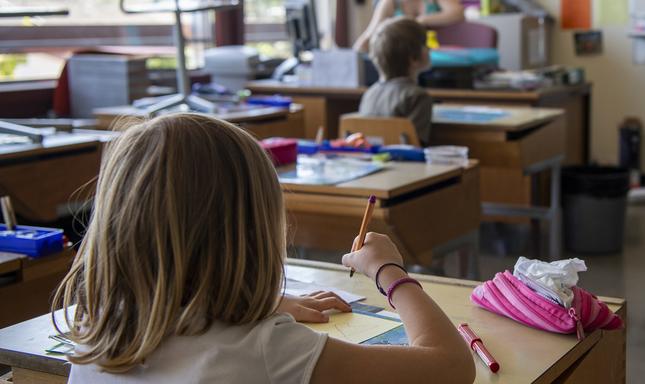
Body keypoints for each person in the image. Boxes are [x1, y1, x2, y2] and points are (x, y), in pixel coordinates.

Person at [53, 113, 475, 383]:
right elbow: (450, 366)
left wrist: (255, 306)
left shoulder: (97, 329)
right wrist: (389, 271)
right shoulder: (266, 349)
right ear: (252, 234)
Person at [358, 17, 433, 145]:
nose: (430, 49)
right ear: (413, 59)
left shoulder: (369, 94)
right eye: (425, 44)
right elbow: (414, 144)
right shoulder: (418, 96)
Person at [353, 0, 464, 53]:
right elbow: (369, 35)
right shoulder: (389, 2)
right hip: (401, 58)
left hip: (437, 55)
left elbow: (458, 13)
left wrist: (422, 20)